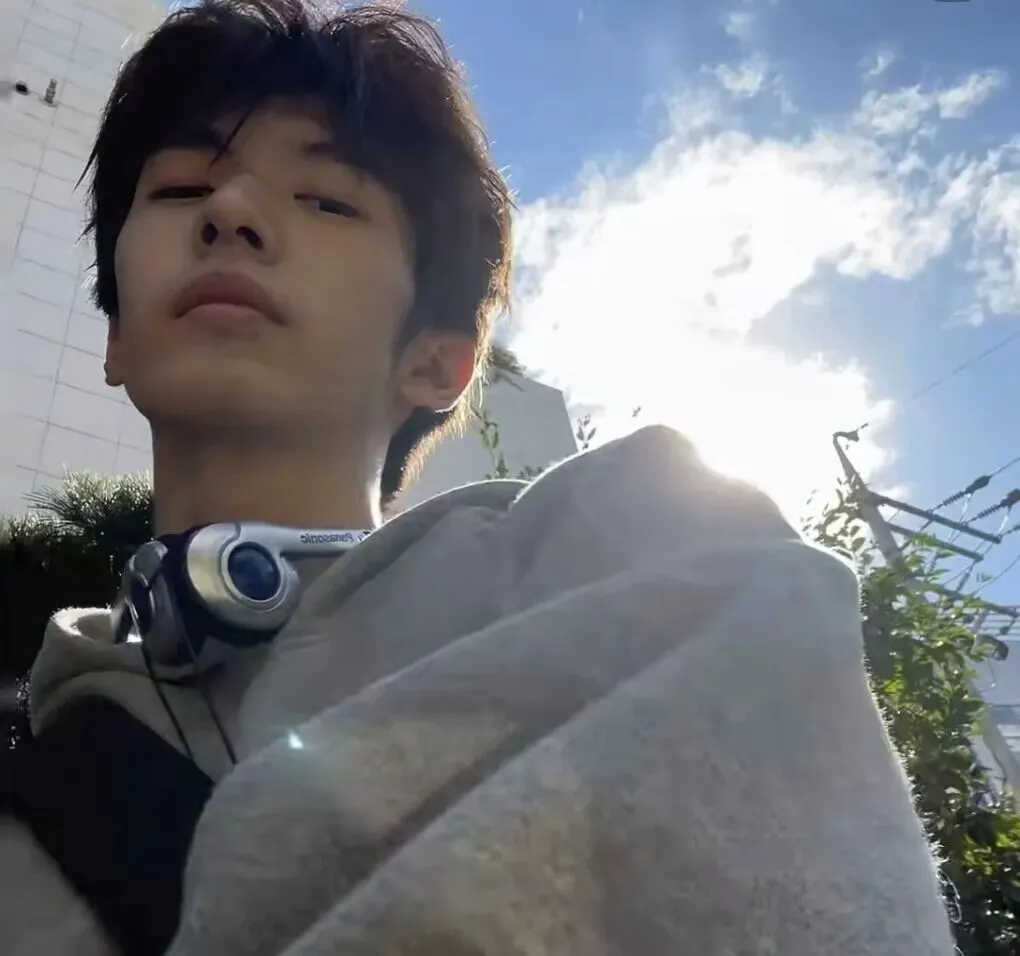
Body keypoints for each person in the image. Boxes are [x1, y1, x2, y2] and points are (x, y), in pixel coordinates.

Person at [1, 1, 956, 954]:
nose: (230, 212)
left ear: (438, 363)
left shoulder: (633, 548)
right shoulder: (43, 762)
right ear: (116, 337)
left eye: (327, 200)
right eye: (179, 189)